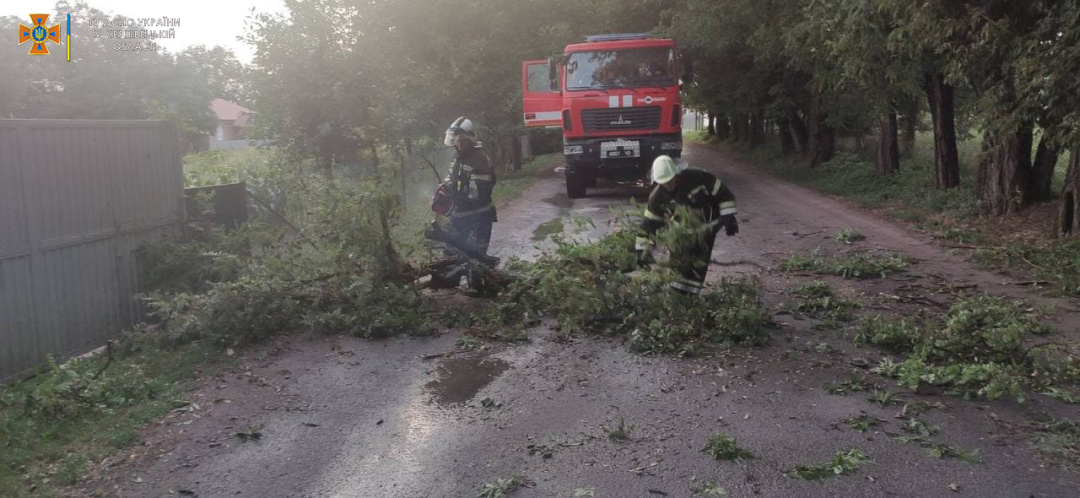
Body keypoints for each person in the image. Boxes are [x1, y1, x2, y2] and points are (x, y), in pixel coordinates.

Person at [635, 155, 738, 295]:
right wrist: (641, 249)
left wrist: (728, 216)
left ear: (677, 173)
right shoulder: (658, 196)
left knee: (698, 260)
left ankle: (690, 295)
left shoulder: (698, 177)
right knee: (679, 261)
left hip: (707, 226)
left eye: (670, 181)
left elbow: (723, 193)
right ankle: (678, 294)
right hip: (681, 233)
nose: (668, 186)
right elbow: (648, 223)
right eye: (663, 183)